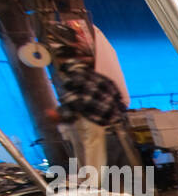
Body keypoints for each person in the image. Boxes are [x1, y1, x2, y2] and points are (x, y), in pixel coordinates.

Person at [47, 45, 127, 185]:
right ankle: (93, 187)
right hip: (109, 124)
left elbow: (75, 104)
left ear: (60, 59)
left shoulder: (74, 73)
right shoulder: (93, 74)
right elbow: (118, 99)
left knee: (94, 164)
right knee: (97, 163)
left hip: (93, 122)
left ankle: (94, 193)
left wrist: (59, 115)